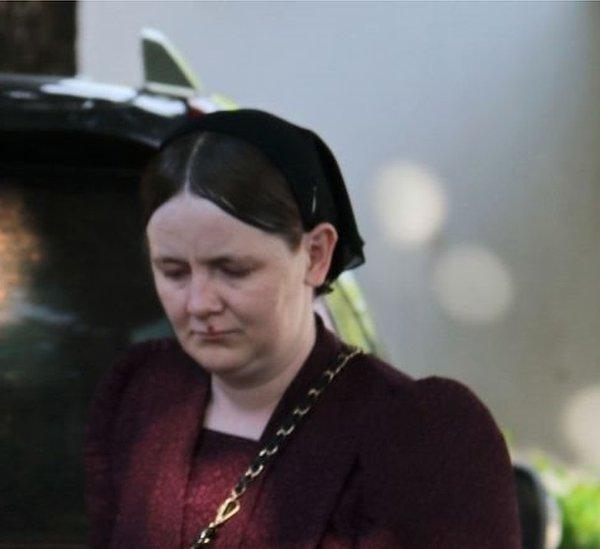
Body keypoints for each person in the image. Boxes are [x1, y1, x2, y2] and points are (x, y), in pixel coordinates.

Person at [84, 109, 521, 548]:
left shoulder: (420, 437)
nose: (199, 303)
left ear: (316, 255)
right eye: (174, 271)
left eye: (232, 270)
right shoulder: (142, 394)